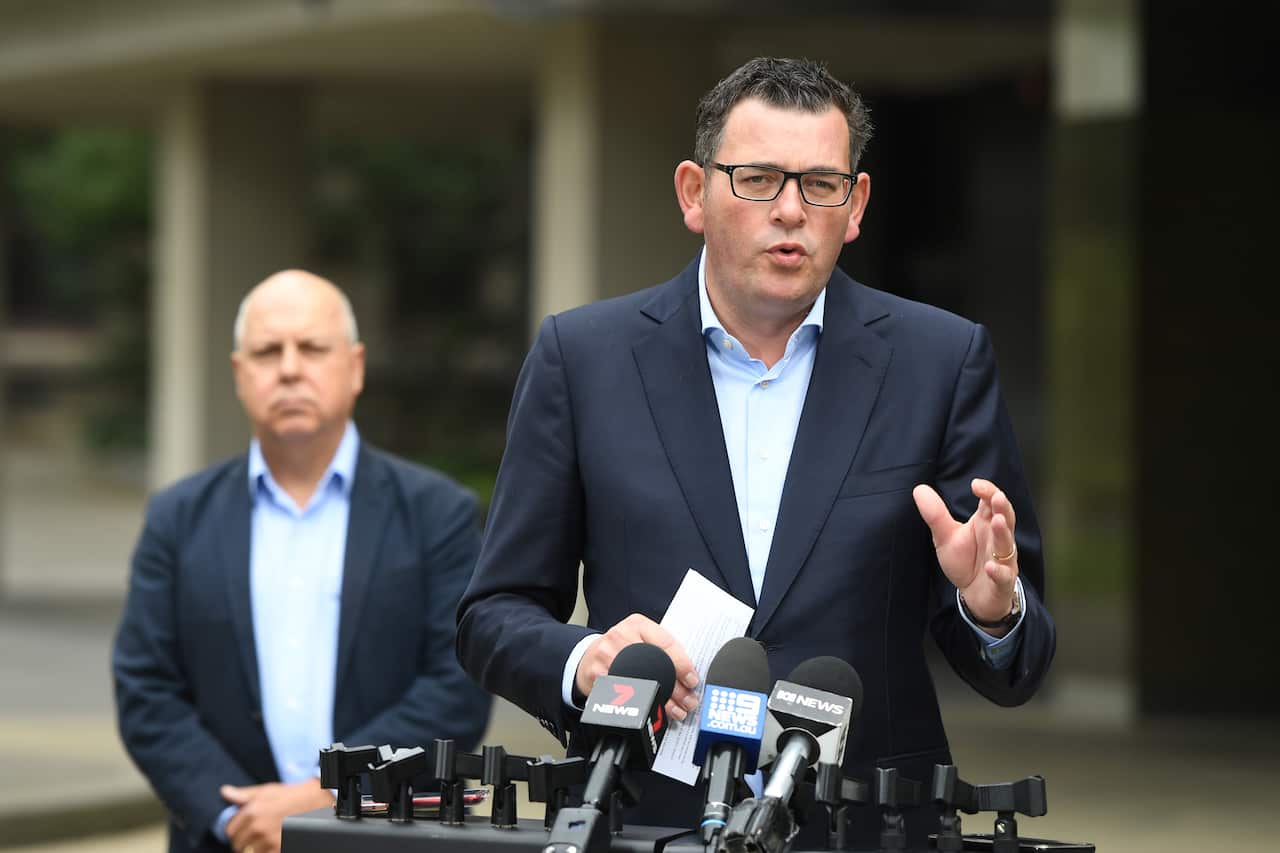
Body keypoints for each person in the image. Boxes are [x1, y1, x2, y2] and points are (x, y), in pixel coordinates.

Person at [456, 57, 1055, 846]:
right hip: (645, 815)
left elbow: (1018, 661)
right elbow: (491, 614)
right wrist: (586, 660)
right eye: (759, 179)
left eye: (819, 184)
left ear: (858, 204)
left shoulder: (938, 361)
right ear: (693, 194)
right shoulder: (585, 358)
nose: (790, 211)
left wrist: (991, 609)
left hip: (867, 824)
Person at [113, 270, 492, 853]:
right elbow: (146, 689)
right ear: (240, 375)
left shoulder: (437, 513)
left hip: (383, 836)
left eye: (313, 348)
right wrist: (237, 817)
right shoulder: (177, 516)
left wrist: (326, 797)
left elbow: (456, 687)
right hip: (228, 839)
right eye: (268, 352)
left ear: (356, 366)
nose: (290, 368)